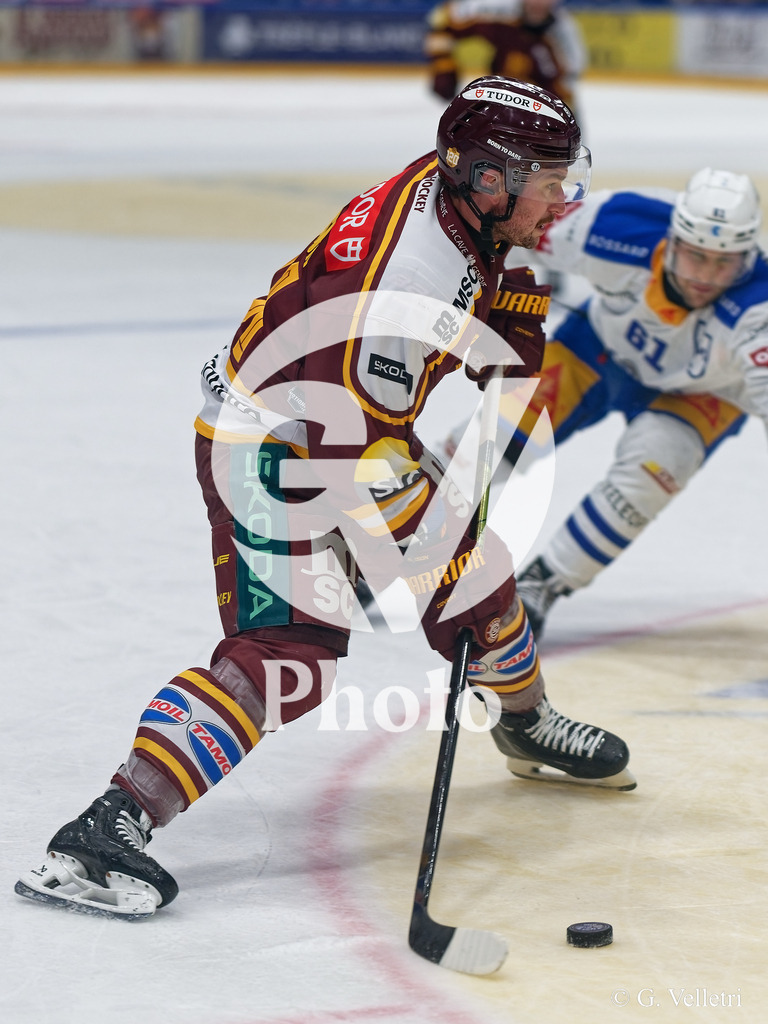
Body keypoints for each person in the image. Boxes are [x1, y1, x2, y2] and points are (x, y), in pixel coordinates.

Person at [15, 77, 634, 922]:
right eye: (547, 183)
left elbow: (468, 322)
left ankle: (523, 723)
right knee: (293, 654)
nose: (560, 200)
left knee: (473, 576)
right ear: (489, 178)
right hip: (275, 450)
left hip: (335, 418)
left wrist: (510, 322)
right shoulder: (402, 278)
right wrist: (427, 539)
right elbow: (358, 455)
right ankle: (108, 826)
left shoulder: (456, 194)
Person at [496, 168, 768, 635]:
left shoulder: (760, 309)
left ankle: (543, 584)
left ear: (747, 258)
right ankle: (404, 534)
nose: (705, 277)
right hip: (598, 347)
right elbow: (507, 224)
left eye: (723, 264)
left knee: (653, 471)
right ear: (673, 239)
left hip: (707, 393)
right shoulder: (616, 225)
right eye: (695, 257)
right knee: (496, 439)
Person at [425, 0, 586, 119]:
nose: (539, 2)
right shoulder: (497, 9)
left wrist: (557, 119)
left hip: (537, 112)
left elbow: (567, 83)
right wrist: (443, 66)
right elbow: (442, 19)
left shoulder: (564, 34)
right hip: (495, 104)